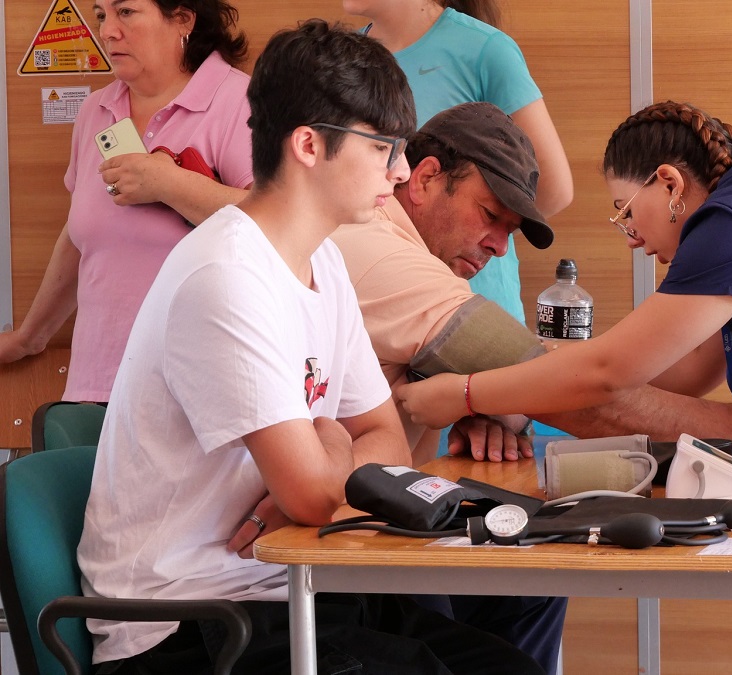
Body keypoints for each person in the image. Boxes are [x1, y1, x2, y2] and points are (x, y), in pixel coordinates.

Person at [77, 20, 542, 675]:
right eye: (384, 148)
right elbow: (317, 498)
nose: (402, 170)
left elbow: (378, 432)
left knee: (510, 667)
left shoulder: (320, 259)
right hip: (193, 622)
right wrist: (329, 451)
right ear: (308, 146)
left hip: (295, 583)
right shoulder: (227, 276)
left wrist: (330, 452)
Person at [332, 101, 732, 466]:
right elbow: (598, 386)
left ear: (671, 184)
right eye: (489, 214)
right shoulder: (385, 258)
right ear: (423, 178)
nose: (496, 246)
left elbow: (601, 381)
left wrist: (485, 400)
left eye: (627, 213)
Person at [0, 0, 254, 402]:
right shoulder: (95, 109)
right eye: (102, 15)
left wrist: (170, 184)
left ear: (183, 18)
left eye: (126, 12)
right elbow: (81, 236)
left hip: (199, 391)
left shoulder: (239, 100)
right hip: (95, 381)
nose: (107, 31)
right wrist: (31, 337)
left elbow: (276, 224)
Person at [343, 0, 573, 325]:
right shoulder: (340, 61)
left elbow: (553, 189)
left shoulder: (486, 51)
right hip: (372, 302)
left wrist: (474, 231)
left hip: (473, 308)